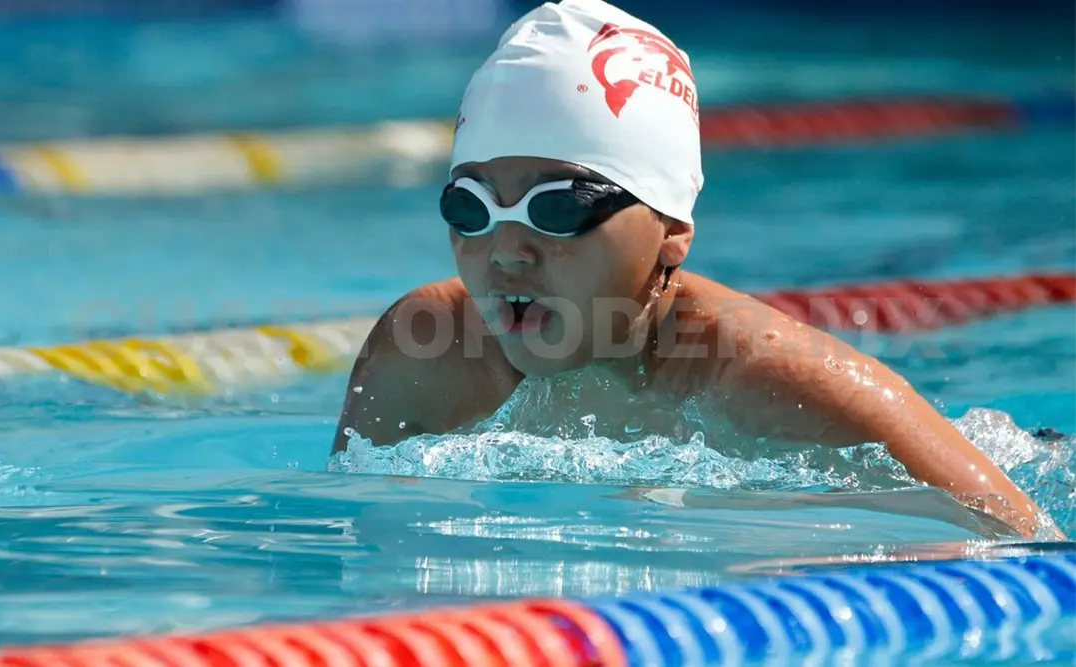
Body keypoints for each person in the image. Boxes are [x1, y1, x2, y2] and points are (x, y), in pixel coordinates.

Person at [333, 0, 1053, 538]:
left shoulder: (775, 384)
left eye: (557, 209)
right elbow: (348, 551)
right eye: (471, 207)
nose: (506, 250)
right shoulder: (420, 356)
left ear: (671, 229)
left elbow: (1034, 552)